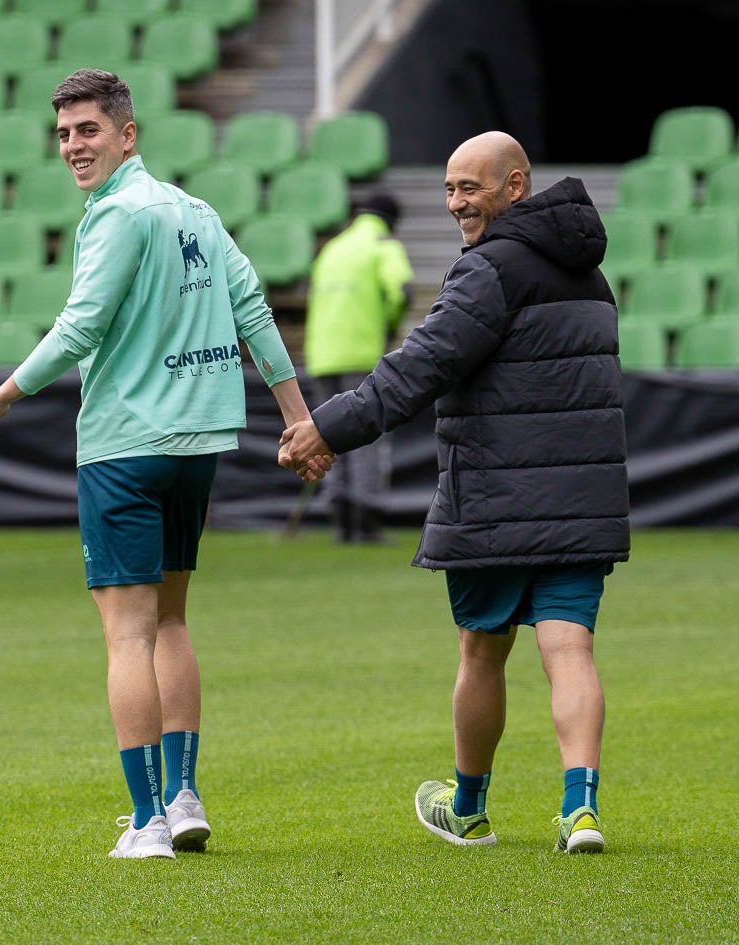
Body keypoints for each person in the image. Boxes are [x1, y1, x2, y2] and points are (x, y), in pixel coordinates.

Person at [0, 69, 316, 859]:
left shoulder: (118, 213)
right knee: (171, 620)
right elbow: (252, 308)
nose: (72, 146)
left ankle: (147, 818)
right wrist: (298, 419)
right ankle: (183, 796)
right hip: (195, 447)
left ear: (128, 134)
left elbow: (80, 325)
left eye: (86, 129)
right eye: (62, 133)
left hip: (126, 446)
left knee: (127, 637)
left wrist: (1, 397)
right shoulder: (194, 211)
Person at [279, 131, 629, 854]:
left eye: (469, 187)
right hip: (580, 496)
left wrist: (326, 430)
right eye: (447, 188)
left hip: (496, 500)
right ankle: (580, 809)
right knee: (570, 650)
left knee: (480, 651)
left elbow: (419, 368)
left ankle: (467, 808)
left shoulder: (488, 271)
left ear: (515, 186)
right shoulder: (590, 276)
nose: (454, 203)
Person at [302, 191, 413, 543]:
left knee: (327, 437)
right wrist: (390, 325)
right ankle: (366, 521)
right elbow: (403, 291)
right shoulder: (382, 244)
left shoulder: (333, 248)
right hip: (361, 354)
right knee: (366, 438)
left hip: (322, 355)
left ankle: (340, 521)